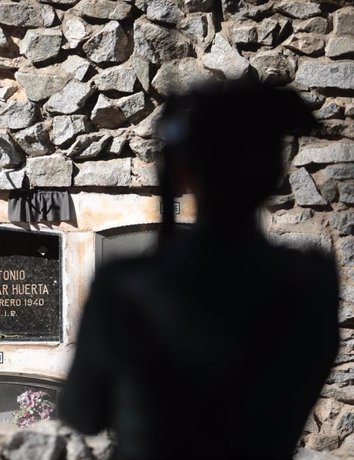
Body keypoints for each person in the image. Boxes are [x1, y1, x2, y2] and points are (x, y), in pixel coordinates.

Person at [60, 81, 340, 459]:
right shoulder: (311, 283)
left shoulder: (126, 285)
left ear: (185, 172)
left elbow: (83, 414)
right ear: (274, 170)